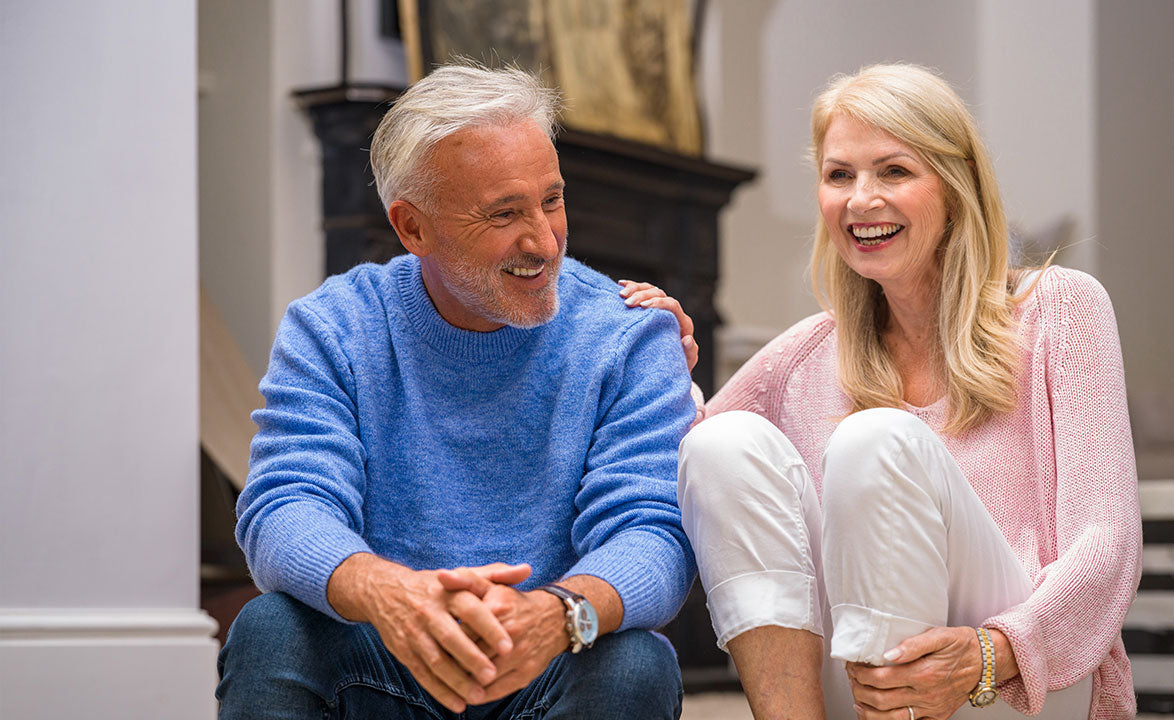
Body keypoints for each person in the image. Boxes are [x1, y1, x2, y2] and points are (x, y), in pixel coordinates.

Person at [622, 63, 1142, 719]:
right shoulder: (808, 352)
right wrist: (661, 360)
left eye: (893, 171)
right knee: (722, 445)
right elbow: (685, 465)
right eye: (839, 175)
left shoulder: (1061, 309)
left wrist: (993, 650)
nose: (861, 198)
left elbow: (1108, 546)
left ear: (955, 187)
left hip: (1020, 678)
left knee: (875, 437)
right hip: (867, 685)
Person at [216, 63, 698, 720]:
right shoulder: (331, 326)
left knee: (635, 662)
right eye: (504, 213)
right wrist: (391, 594)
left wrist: (555, 615)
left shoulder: (629, 336)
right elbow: (284, 506)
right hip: (385, 653)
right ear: (412, 227)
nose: (543, 240)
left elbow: (653, 532)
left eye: (552, 200)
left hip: (545, 653)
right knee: (271, 629)